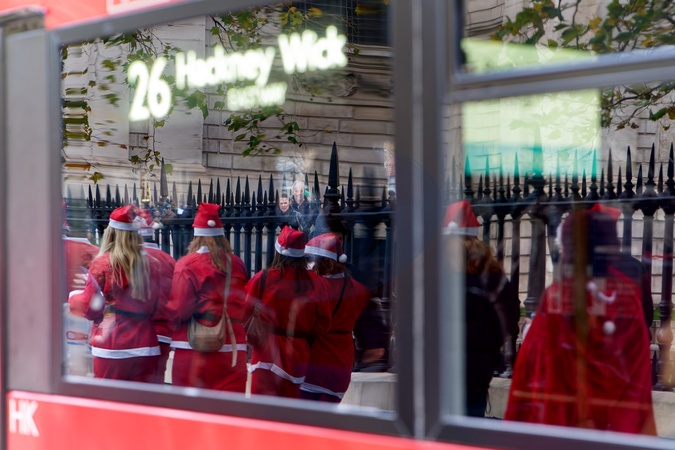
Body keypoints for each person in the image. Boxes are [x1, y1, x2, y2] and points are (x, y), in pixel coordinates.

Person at [505, 208, 656, 435]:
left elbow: (533, 367)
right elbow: (637, 365)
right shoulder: (626, 293)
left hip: (563, 418)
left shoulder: (558, 295)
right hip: (613, 417)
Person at [443, 200, 520, 417]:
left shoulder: (438, 277)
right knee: (471, 418)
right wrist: (491, 345)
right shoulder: (494, 277)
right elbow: (509, 318)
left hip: (441, 365)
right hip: (480, 365)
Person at [69, 205, 162, 382]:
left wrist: (73, 297)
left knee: (109, 397)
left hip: (111, 343)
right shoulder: (152, 263)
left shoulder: (102, 263)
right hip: (146, 343)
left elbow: (90, 307)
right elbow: (158, 304)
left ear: (110, 233)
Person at [167, 202, 249, 392]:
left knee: (190, 409)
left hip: (193, 348)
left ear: (196, 236)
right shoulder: (237, 263)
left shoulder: (187, 264)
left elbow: (179, 309)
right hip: (232, 349)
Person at [244, 226, 332, 398]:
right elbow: (323, 323)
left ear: (278, 252)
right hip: (297, 352)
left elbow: (244, 309)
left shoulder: (264, 277)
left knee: (261, 409)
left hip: (265, 350)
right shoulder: (317, 283)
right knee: (289, 407)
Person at [300, 233, 385, 402]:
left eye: (310, 258)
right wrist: (373, 343)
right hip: (341, 363)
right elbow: (368, 317)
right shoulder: (358, 289)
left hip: (314, 362)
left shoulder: (314, 288)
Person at [138, 209, 176, 384]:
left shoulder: (130, 258)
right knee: (157, 378)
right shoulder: (169, 260)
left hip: (137, 330)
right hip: (164, 331)